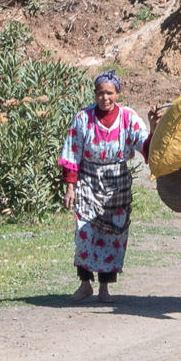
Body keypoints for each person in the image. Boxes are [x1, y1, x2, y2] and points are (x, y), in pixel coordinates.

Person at [59, 72, 151, 303]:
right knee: (85, 232)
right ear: (95, 94)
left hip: (117, 183)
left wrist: (155, 126)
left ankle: (104, 289)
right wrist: (70, 188)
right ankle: (84, 283)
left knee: (114, 235)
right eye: (100, 92)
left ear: (117, 94)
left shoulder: (129, 117)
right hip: (88, 179)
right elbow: (71, 153)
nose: (105, 97)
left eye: (109, 93)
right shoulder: (83, 118)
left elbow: (146, 144)